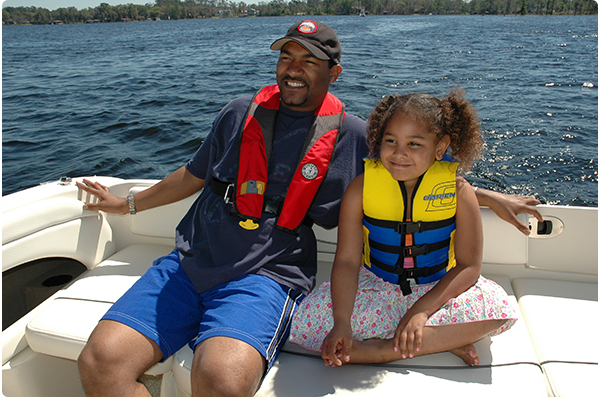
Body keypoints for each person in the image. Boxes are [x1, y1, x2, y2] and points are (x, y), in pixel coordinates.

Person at [76, 20, 541, 396]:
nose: (293, 69)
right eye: (286, 56)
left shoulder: (354, 136)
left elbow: (408, 177)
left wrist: (488, 196)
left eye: (309, 61)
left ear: (334, 72)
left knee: (220, 379)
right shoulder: (239, 112)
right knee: (100, 364)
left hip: (267, 274)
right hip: (191, 260)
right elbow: (193, 174)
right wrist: (128, 202)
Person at [289, 88, 518, 368]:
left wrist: (420, 313)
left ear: (440, 147)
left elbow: (469, 267)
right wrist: (342, 323)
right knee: (307, 322)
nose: (399, 153)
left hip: (435, 290)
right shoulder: (360, 188)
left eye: (414, 144)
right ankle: (437, 341)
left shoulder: (460, 192)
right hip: (377, 286)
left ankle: (382, 351)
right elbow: (348, 261)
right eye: (390, 141)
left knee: (496, 308)